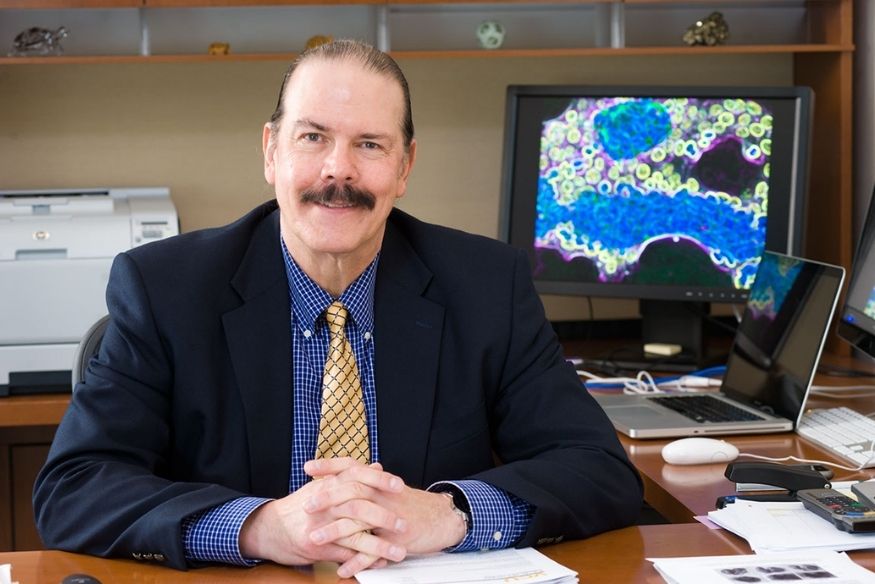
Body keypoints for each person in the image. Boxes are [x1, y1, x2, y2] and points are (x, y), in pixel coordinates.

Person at [33, 39, 643, 577]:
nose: (338, 171)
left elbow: (599, 470)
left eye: (370, 144)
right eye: (313, 137)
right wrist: (259, 527)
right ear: (272, 152)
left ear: (404, 167)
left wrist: (451, 514)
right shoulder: (165, 288)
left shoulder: (486, 286)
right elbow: (75, 488)